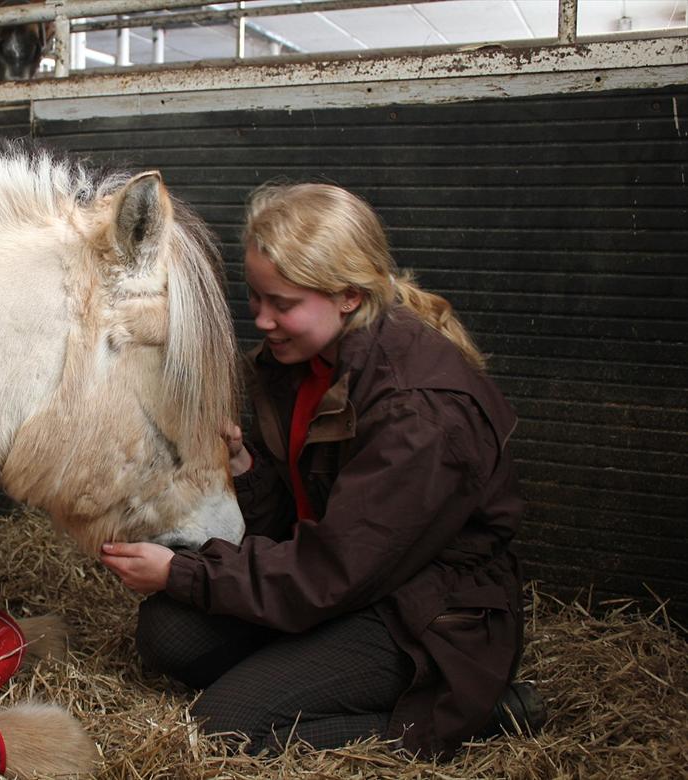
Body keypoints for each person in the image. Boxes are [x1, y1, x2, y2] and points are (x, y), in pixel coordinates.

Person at [100, 182, 544, 758]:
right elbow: (298, 516)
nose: (261, 320)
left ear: (349, 297)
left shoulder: (421, 412)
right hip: (349, 586)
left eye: (282, 304)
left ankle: (472, 713)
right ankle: (302, 678)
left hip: (421, 619)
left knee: (224, 728)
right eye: (256, 297)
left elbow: (332, 569)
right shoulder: (299, 364)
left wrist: (185, 574)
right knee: (168, 633)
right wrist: (248, 468)